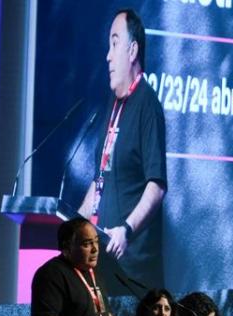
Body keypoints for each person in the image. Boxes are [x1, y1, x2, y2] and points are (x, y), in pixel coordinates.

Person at [79, 8, 167, 295]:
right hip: (103, 263)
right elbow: (99, 180)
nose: (107, 55)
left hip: (132, 275)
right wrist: (73, 228)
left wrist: (126, 230)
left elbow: (157, 186)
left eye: (114, 43)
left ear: (132, 50)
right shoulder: (113, 106)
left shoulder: (147, 105)